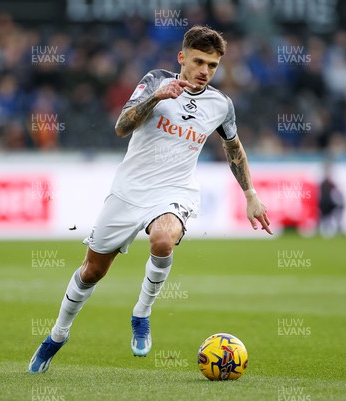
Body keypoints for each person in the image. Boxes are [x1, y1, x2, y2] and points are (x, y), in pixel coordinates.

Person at [28, 25, 272, 373]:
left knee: (162, 238)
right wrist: (157, 97)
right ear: (182, 57)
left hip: (176, 192)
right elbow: (121, 126)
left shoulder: (221, 105)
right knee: (92, 271)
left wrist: (250, 194)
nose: (205, 71)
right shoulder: (155, 81)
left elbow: (233, 147)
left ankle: (142, 312)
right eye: (199, 61)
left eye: (213, 65)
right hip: (129, 191)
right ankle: (57, 334)